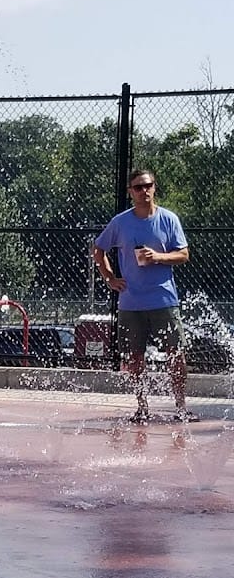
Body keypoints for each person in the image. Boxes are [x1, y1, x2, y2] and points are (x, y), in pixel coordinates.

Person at [93, 169, 197, 425]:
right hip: (131, 302)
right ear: (130, 192)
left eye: (147, 186)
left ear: (154, 187)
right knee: (135, 357)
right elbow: (99, 250)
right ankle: (142, 407)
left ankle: (181, 407)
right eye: (138, 188)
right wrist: (110, 279)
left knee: (176, 354)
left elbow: (183, 254)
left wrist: (159, 257)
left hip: (164, 300)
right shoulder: (121, 222)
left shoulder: (169, 220)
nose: (144, 191)